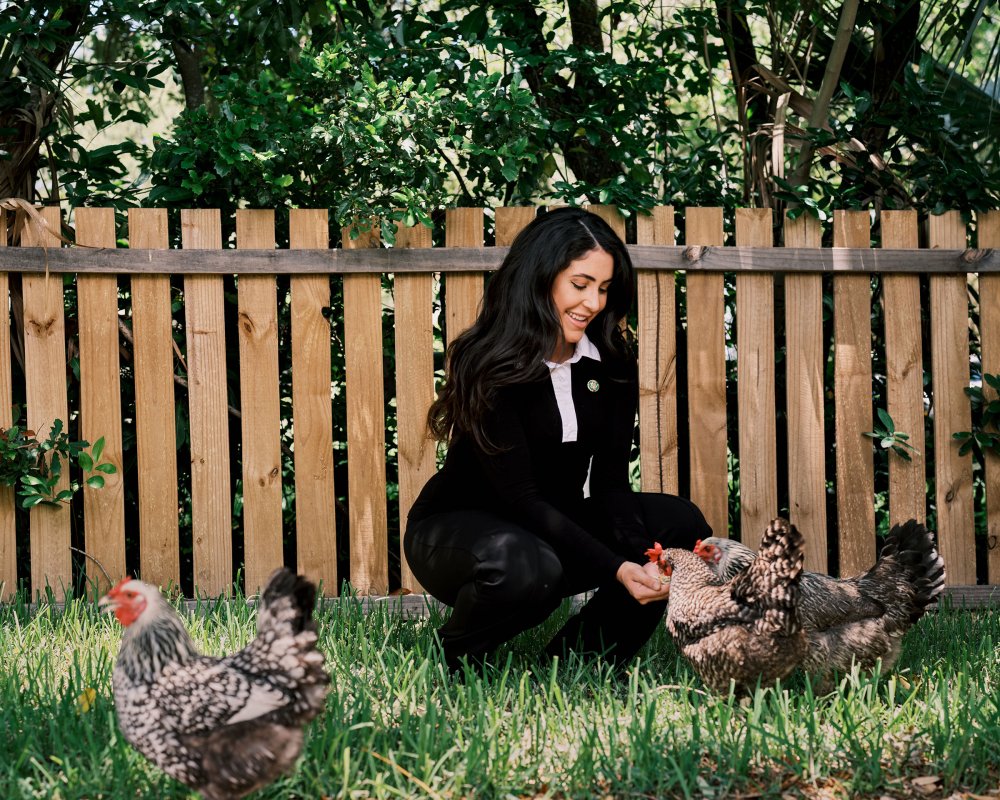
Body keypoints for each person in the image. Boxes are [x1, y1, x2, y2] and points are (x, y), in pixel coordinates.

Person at [404, 206, 711, 673]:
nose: (593, 303)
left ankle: (582, 660)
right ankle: (455, 654)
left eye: (604, 289)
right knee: (528, 567)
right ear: (541, 277)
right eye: (580, 284)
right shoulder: (487, 364)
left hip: (550, 524)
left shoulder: (609, 362)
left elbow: (609, 483)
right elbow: (522, 498)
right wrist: (615, 565)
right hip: (461, 533)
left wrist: (643, 557)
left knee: (678, 524)